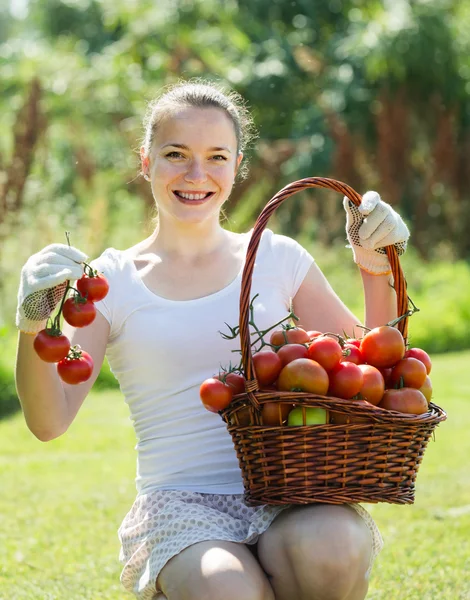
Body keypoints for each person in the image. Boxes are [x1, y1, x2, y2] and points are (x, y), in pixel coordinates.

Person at [15, 79, 410, 600]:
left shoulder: (276, 257)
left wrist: (374, 266)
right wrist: (32, 327)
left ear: (237, 163)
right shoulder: (110, 281)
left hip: (288, 488)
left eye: (216, 157)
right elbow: (49, 421)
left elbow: (375, 369)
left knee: (335, 546)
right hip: (181, 505)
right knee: (228, 590)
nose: (196, 175)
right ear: (145, 160)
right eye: (175, 154)